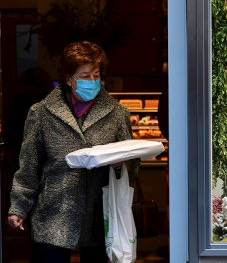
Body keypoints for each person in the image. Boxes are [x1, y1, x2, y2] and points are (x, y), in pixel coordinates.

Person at [7, 41, 140, 263]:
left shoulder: (117, 113)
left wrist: (120, 165)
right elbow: (29, 166)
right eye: (85, 76)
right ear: (69, 79)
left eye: (96, 75)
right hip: (53, 212)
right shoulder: (41, 113)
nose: (93, 82)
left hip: (98, 216)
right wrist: (18, 208)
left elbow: (133, 168)